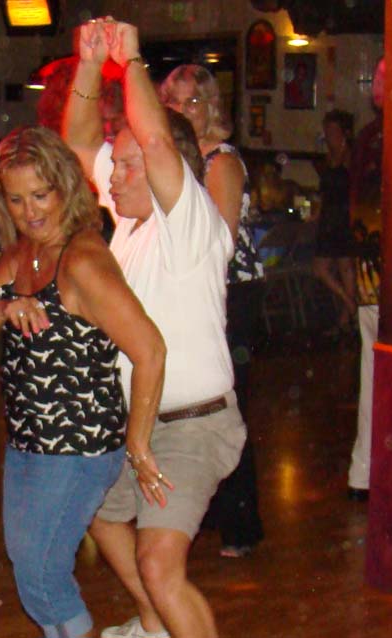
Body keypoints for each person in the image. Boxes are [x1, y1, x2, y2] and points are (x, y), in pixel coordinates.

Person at [65, 19, 246, 638]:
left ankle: (163, 614)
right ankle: (153, 624)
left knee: (160, 563)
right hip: (136, 421)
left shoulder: (190, 226)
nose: (111, 176)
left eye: (127, 164)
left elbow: (161, 144)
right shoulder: (129, 223)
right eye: (115, 165)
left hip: (193, 425)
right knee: (93, 509)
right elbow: (79, 142)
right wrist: (91, 65)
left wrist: (132, 59)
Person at [0, 126, 165, 638]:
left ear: (65, 189)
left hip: (78, 448)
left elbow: (150, 349)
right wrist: (4, 309)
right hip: (28, 443)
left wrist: (138, 443)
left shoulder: (83, 259)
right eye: (16, 199)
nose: (29, 211)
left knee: (42, 573)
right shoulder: (20, 255)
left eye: (40, 195)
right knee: (30, 568)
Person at [159, 63, 264, 559]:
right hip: (196, 293)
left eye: (193, 101)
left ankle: (242, 524)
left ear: (211, 106)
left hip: (230, 294)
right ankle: (210, 511)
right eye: (175, 102)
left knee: (226, 403)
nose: (184, 110)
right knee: (197, 404)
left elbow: (220, 240)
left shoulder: (220, 161)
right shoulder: (176, 159)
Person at [346, 57, 385, 502]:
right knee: (389, 374)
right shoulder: (387, 137)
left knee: (374, 372)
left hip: (375, 276)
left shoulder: (369, 137)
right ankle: (378, 470)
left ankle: (366, 471)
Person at [311, 109, 357, 335]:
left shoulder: (350, 156)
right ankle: (349, 306)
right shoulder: (328, 158)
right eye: (327, 130)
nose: (328, 134)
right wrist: (317, 213)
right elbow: (323, 192)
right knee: (323, 268)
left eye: (333, 130)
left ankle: (346, 317)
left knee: (344, 268)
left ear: (344, 132)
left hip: (344, 217)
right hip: (330, 218)